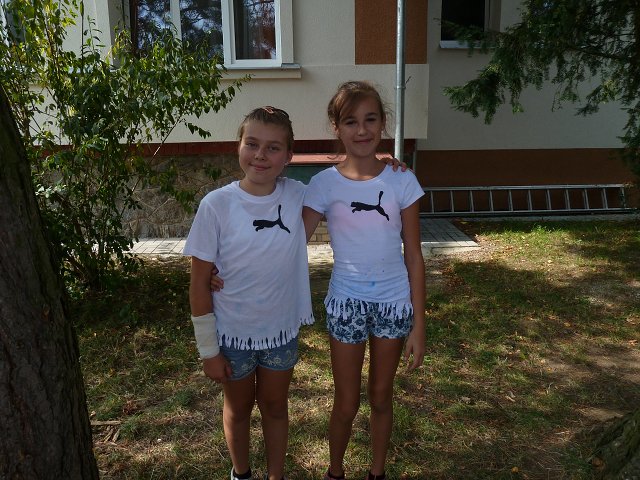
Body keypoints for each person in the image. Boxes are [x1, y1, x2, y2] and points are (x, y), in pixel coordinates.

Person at [302, 81, 426, 480]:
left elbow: (414, 255)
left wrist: (418, 324)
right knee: (346, 402)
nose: (361, 130)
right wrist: (230, 266)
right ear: (336, 127)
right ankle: (334, 471)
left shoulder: (402, 180)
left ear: (383, 123)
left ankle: (377, 472)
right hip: (346, 304)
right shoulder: (323, 184)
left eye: (370, 119)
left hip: (394, 304)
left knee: (381, 396)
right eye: (350, 121)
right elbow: (289, 242)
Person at [184, 106, 314, 480]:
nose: (261, 155)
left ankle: (276, 475)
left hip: (280, 332)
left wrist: (387, 167)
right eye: (252, 144)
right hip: (232, 336)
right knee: (238, 409)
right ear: (238, 146)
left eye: (273, 148)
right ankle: (241, 474)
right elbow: (198, 284)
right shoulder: (216, 205)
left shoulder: (300, 195)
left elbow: (347, 182)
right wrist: (208, 351)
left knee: (275, 407)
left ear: (289, 156)